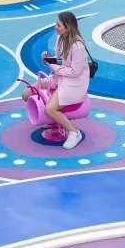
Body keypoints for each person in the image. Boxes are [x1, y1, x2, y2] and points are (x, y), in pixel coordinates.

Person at [32, 10, 91, 150]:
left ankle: (74, 132)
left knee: (50, 109)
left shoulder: (78, 47)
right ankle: (53, 120)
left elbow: (74, 72)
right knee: (27, 93)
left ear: (67, 27)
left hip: (73, 84)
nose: (55, 27)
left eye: (58, 25)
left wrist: (53, 65)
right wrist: (49, 59)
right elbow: (61, 61)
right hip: (60, 77)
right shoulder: (61, 38)